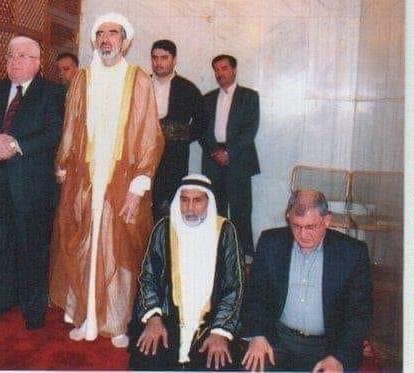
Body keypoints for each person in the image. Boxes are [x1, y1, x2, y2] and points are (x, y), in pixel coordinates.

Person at [49, 12, 164, 348]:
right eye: (100, 33)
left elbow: (149, 135)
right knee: (84, 244)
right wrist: (64, 166)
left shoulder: (138, 79)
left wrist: (138, 186)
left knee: (118, 249)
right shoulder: (82, 79)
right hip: (84, 178)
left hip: (122, 180)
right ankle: (84, 316)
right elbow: (70, 127)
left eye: (113, 33)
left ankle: (116, 321)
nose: (106, 39)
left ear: (125, 42)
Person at [0, 36, 65, 330]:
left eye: (22, 56)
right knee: (0, 246)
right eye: (10, 56)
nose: (14, 61)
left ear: (37, 62)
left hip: (32, 187)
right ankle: (3, 299)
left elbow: (54, 132)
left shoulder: (53, 92)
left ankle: (33, 309)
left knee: (33, 248)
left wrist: (13, 146)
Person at [241, 189, 373, 372]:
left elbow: (359, 314)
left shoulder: (352, 252)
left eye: (311, 227)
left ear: (327, 220)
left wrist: (339, 357)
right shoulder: (271, 242)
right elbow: (255, 295)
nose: (303, 235)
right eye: (296, 226)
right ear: (288, 217)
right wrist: (257, 334)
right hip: (277, 340)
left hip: (329, 347)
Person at [128, 174, 244, 370]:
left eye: (197, 200)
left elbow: (235, 286)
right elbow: (148, 277)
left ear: (209, 201)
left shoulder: (225, 230)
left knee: (217, 363)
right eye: (184, 200)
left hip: (210, 323)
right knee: (147, 357)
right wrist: (153, 318)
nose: (190, 208)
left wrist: (220, 331)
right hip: (167, 317)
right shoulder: (164, 228)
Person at [200, 54, 259, 259]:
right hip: (212, 159)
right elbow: (202, 130)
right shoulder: (207, 99)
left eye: (224, 68)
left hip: (239, 158)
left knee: (241, 210)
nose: (219, 73)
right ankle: (217, 255)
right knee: (215, 209)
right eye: (216, 69)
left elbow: (250, 130)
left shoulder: (249, 97)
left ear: (234, 70)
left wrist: (229, 152)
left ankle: (242, 257)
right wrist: (214, 151)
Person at [149, 39, 206, 217]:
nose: (158, 62)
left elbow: (203, 120)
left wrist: (183, 135)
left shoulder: (187, 88)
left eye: (164, 58)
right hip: (145, 156)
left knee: (170, 205)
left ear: (174, 60)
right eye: (155, 58)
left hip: (174, 157)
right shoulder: (142, 84)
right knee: (144, 203)